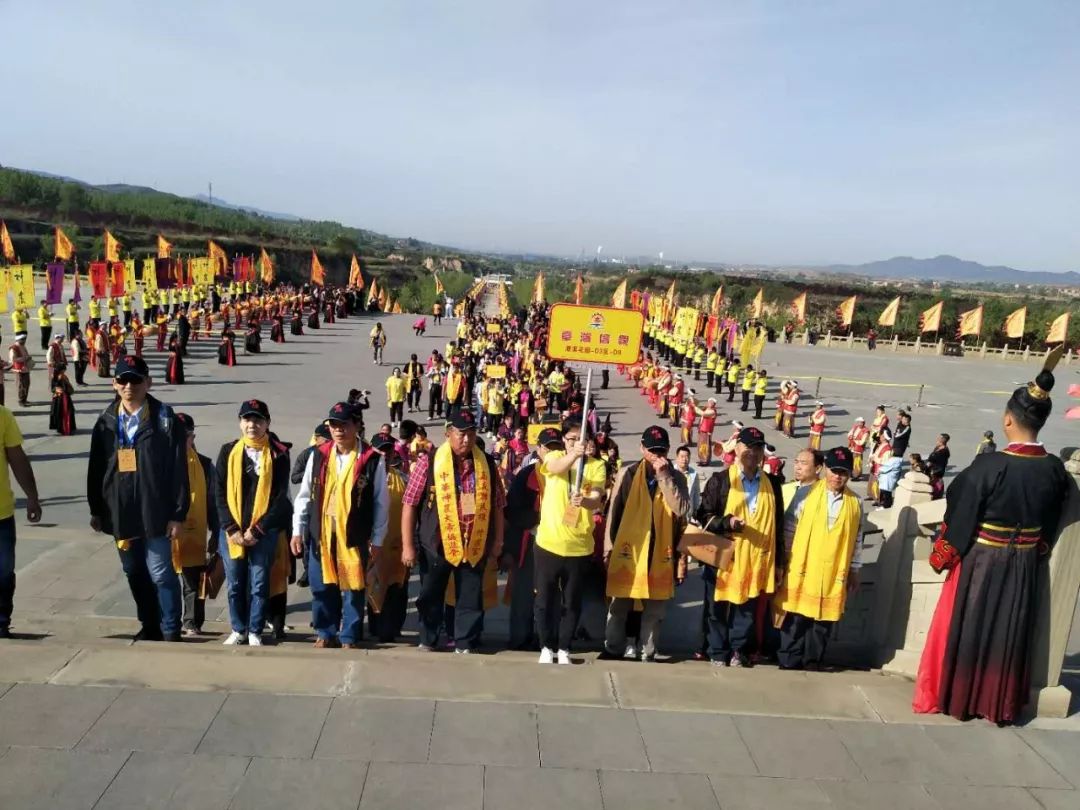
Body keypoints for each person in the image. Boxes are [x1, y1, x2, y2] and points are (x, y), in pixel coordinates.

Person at [913, 357, 1071, 724]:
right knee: (1008, 632)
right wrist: (1039, 547)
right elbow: (1055, 516)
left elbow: (960, 514)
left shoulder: (988, 467)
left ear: (1007, 419)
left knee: (972, 629)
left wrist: (942, 555)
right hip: (1025, 562)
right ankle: (998, 704)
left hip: (983, 559)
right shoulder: (1054, 470)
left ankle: (963, 700)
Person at [87, 355, 188, 641]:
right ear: (114, 384)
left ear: (148, 382)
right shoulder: (106, 420)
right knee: (133, 571)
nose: (129, 385)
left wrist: (178, 514)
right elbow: (96, 468)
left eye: (135, 379)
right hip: (120, 511)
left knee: (161, 572)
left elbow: (179, 470)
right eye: (123, 380)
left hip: (154, 510)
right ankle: (150, 624)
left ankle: (170, 628)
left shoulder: (165, 419)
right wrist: (96, 508)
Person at [400, 409, 505, 653]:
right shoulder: (431, 460)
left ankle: (465, 641)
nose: (466, 439)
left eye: (470, 433)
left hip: (473, 542)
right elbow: (410, 503)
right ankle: (428, 638)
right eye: (460, 433)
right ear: (448, 434)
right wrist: (408, 545)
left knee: (470, 596)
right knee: (430, 595)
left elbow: (499, 505)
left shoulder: (486, 463)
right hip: (436, 543)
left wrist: (498, 540)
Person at [291, 402, 387, 648]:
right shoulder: (318, 455)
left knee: (353, 586)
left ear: (356, 426)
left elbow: (381, 504)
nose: (338, 430)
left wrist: (377, 539)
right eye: (333, 425)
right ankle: (325, 631)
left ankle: (350, 635)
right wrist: (297, 531)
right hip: (322, 532)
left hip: (353, 534)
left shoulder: (371, 459)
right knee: (321, 585)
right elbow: (304, 496)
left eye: (344, 424)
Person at [698, 426, 785, 667]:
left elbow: (777, 526)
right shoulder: (721, 480)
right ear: (737, 448)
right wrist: (728, 522)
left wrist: (779, 563)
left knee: (747, 607)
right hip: (723, 553)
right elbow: (703, 515)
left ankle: (738, 649)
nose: (753, 453)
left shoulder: (773, 484)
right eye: (748, 447)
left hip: (757, 556)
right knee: (717, 607)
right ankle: (717, 651)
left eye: (758, 449)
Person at [603, 426, 691, 662]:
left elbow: (681, 509)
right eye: (652, 451)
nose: (656, 456)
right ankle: (613, 647)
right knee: (619, 603)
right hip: (630, 548)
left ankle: (647, 650)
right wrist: (608, 549)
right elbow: (614, 512)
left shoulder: (677, 477)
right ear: (642, 449)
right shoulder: (628, 473)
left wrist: (664, 478)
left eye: (661, 451)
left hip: (661, 549)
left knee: (655, 609)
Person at [776, 447, 863, 670]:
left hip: (834, 569)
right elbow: (789, 529)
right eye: (834, 471)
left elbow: (857, 539)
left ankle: (813, 661)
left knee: (823, 620)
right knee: (796, 616)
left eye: (843, 473)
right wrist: (782, 561)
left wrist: (854, 568)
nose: (837, 477)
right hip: (804, 565)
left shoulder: (855, 503)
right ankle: (789, 659)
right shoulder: (806, 494)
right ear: (825, 469)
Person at [215, 399, 292, 646]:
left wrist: (258, 530)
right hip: (233, 531)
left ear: (267, 423)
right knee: (235, 583)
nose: (252, 424)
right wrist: (231, 528)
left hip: (263, 531)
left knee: (259, 583)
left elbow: (280, 498)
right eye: (247, 419)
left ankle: (256, 629)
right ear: (240, 423)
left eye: (258, 420)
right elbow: (217, 492)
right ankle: (239, 629)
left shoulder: (279, 454)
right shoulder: (229, 451)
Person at [533, 419, 607, 664]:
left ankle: (564, 647)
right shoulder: (555, 455)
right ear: (564, 440)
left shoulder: (597, 466)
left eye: (581, 439)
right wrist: (573, 455)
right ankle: (546, 645)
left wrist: (584, 502)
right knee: (545, 600)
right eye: (571, 439)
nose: (576, 443)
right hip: (549, 544)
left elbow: (597, 498)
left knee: (572, 601)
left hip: (579, 547)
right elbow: (554, 467)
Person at [502, 428, 561, 651]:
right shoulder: (527, 475)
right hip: (530, 541)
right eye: (548, 447)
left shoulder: (569, 474)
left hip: (557, 542)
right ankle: (520, 637)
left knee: (553, 595)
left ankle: (550, 639)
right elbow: (512, 510)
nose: (553, 452)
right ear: (539, 449)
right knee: (523, 593)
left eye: (557, 447)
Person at [173, 413, 219, 636]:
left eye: (186, 436)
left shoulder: (205, 465)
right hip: (166, 532)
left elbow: (214, 502)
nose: (181, 441)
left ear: (193, 437)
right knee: (165, 580)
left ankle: (192, 622)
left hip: (195, 532)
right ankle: (169, 620)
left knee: (194, 582)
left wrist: (217, 533)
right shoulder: (160, 461)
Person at [0, 406, 42, 638]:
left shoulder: (2, 416)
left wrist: (32, 496)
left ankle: (1, 622)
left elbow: (16, 457)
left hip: (1, 512)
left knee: (4, 573)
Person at [367, 432, 409, 643]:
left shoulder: (402, 478)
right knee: (372, 588)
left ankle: (390, 629)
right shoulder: (363, 477)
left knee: (396, 589)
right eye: (380, 450)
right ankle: (372, 626)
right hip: (372, 546)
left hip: (397, 547)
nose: (384, 454)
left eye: (388, 450)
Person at [674, 444, 701, 517]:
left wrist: (696, 509)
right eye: (682, 456)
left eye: (687, 457)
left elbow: (696, 492)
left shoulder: (694, 474)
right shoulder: (671, 472)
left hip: (688, 512)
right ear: (677, 458)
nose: (684, 459)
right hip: (674, 511)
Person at [48, 370, 76, 435]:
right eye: (62, 371)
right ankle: (60, 428)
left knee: (68, 412)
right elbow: (52, 388)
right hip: (58, 400)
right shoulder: (54, 377)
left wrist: (64, 382)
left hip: (66, 398)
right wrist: (56, 389)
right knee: (59, 413)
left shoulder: (64, 377)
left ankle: (69, 427)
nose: (63, 372)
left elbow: (68, 388)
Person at [926, 433, 951, 499]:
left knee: (934, 488)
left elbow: (941, 464)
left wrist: (933, 471)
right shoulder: (937, 447)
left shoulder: (944, 451)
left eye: (939, 438)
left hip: (936, 472)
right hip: (931, 470)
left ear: (943, 440)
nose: (937, 439)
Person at [8, 335, 31, 407]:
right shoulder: (14, 348)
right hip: (19, 369)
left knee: (27, 383)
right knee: (22, 385)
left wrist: (28, 358)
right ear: (18, 340)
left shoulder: (23, 346)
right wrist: (24, 358)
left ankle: (24, 399)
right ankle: (21, 400)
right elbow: (13, 359)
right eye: (23, 339)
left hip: (25, 368)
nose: (24, 341)